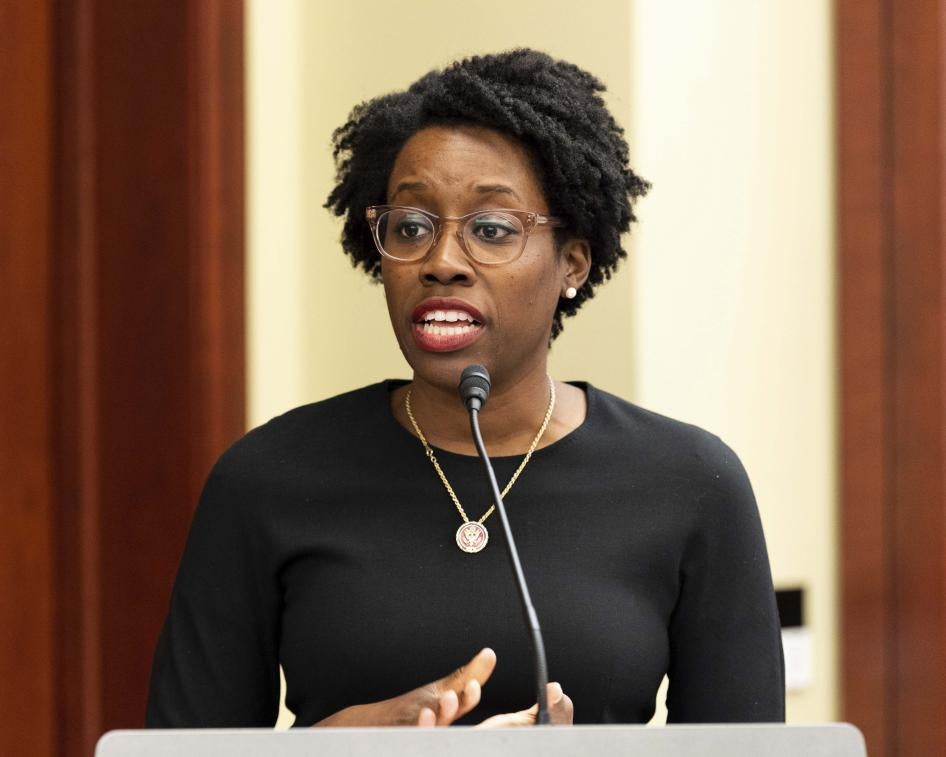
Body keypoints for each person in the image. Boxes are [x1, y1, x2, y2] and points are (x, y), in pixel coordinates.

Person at [146, 48, 784, 728]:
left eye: (491, 229)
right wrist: (347, 743)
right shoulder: (266, 479)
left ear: (572, 260)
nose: (441, 261)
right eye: (412, 227)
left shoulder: (690, 483)